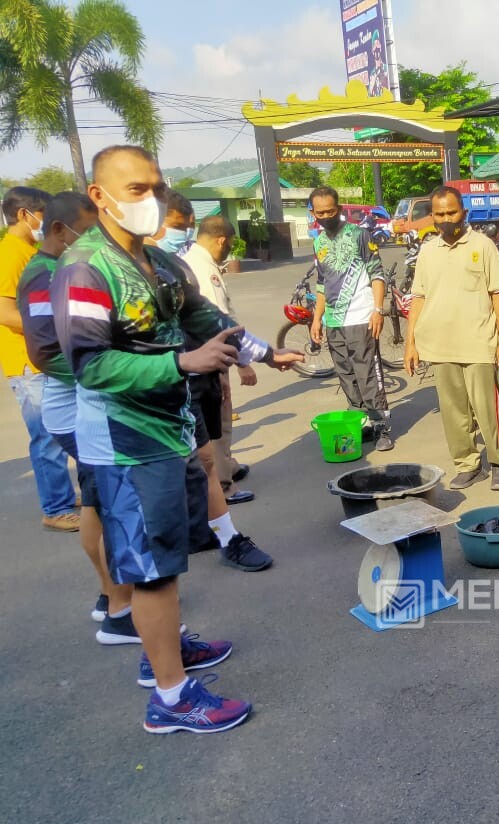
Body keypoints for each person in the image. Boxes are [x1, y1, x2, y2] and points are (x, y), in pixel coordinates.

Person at [52, 145, 302, 733]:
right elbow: (90, 364)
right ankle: (170, 698)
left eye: (157, 188)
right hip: (123, 439)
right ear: (99, 196)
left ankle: (163, 650)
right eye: (136, 189)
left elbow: (204, 319)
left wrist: (265, 352)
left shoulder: (161, 262)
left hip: (167, 430)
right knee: (152, 566)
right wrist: (182, 365)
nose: (152, 200)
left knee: (164, 553)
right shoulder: (85, 267)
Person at [16, 191, 124, 624]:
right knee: (107, 507)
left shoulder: (61, 268)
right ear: (60, 230)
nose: (94, 240)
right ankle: (119, 603)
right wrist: (113, 372)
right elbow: (45, 351)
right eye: (88, 231)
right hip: (77, 415)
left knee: (99, 505)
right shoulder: (44, 274)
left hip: (84, 410)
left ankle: (110, 595)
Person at [404, 186, 499, 491]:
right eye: (439, 214)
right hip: (439, 345)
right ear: (433, 217)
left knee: (487, 409)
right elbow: (419, 297)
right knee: (454, 413)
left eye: (451, 212)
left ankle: (498, 463)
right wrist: (410, 343)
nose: (445, 219)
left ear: (463, 212)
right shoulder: (428, 251)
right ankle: (467, 464)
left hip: (479, 342)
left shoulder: (483, 245)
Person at [0, 185, 79, 532]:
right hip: (27, 363)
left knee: (58, 431)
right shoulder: (11, 254)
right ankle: (56, 508)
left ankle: (62, 495)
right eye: (43, 216)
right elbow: (4, 311)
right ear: (24, 215)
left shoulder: (28, 250)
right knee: (47, 437)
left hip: (39, 360)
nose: (46, 224)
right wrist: (47, 329)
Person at [307, 185, 394, 452]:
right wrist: (316, 319)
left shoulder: (360, 235)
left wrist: (377, 310)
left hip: (361, 318)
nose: (326, 216)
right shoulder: (318, 242)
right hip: (334, 322)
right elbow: (321, 284)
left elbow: (377, 274)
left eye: (331, 211)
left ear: (340, 209)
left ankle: (382, 427)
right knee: (346, 374)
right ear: (313, 213)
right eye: (320, 212)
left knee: (367, 372)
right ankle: (362, 422)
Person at [181, 216, 252, 498]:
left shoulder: (194, 262)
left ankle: (227, 466)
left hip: (204, 355)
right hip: (212, 356)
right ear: (222, 240)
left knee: (217, 417)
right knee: (218, 421)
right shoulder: (203, 269)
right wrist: (244, 362)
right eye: (230, 244)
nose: (229, 249)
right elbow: (219, 322)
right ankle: (223, 484)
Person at [154, 191, 195, 256]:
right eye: (177, 226)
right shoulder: (134, 263)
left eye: (185, 229)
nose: (183, 235)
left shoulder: (174, 261)